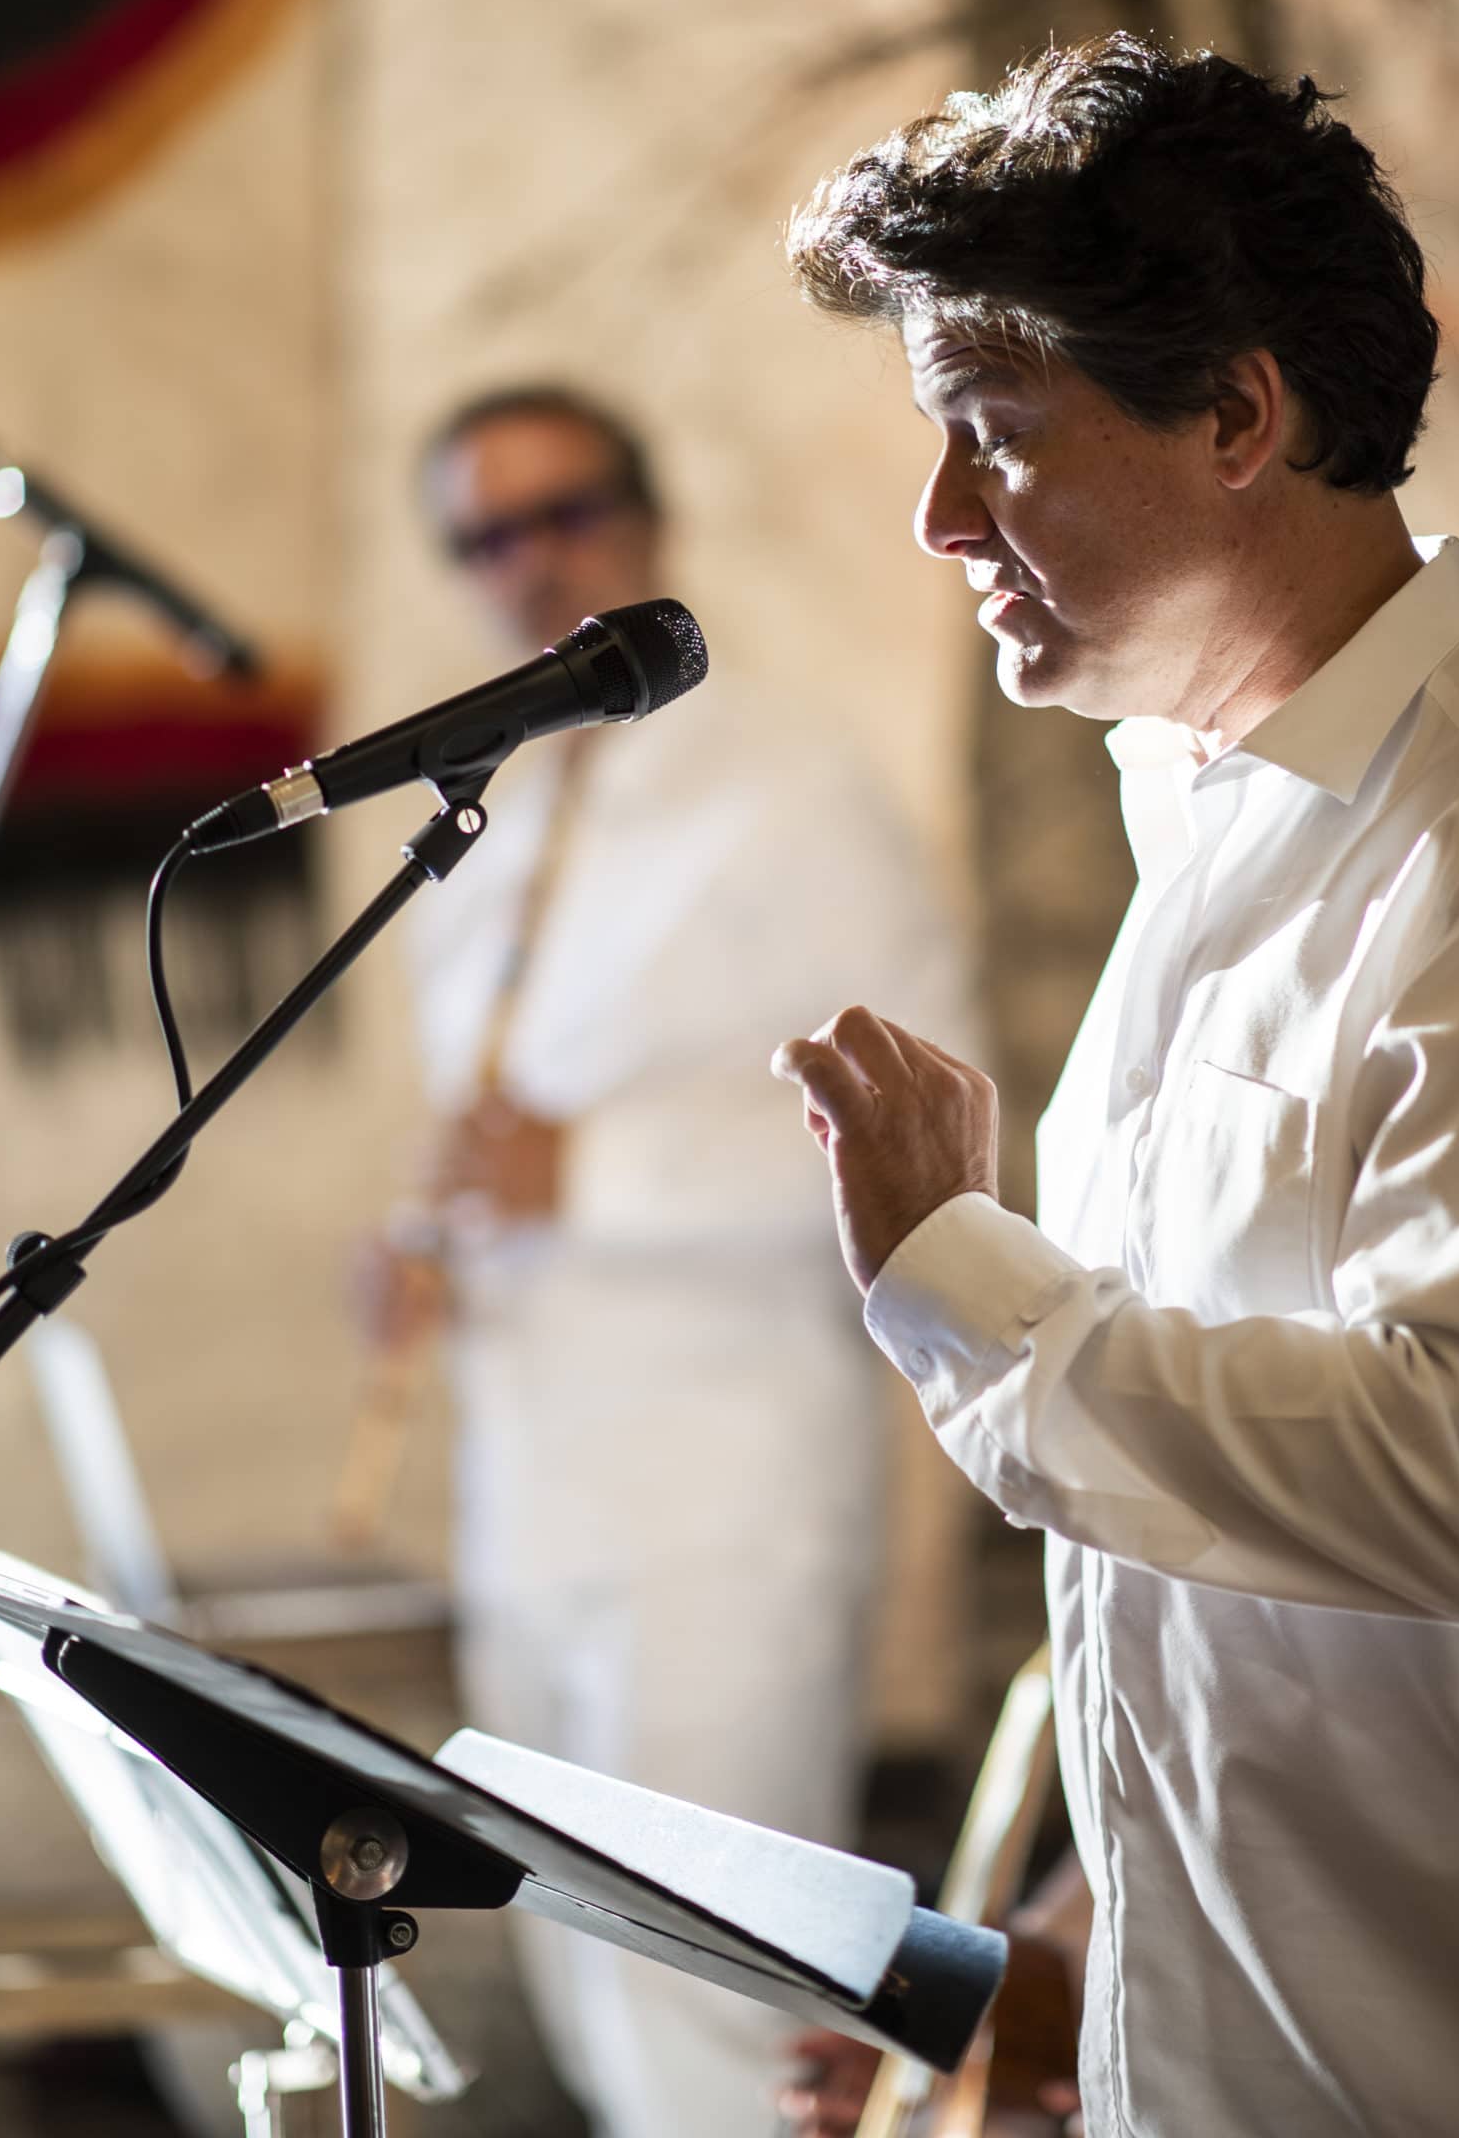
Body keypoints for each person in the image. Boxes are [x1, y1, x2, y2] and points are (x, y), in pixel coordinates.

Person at [770, 36, 1459, 2138]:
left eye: (994, 435)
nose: (937, 516)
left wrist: (966, 1275)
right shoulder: (1203, 819)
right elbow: (1223, 1580)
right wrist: (1060, 1956)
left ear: (1237, 414)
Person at [355, 385, 966, 2138]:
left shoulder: (792, 784)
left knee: (710, 2018)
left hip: (722, 1492)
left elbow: (927, 1130)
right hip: (534, 1496)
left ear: (650, 517)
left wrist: (592, 1169)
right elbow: (502, 1147)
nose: (532, 562)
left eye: (568, 513)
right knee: (585, 1995)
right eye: (486, 536)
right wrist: (432, 1248)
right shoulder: (485, 821)